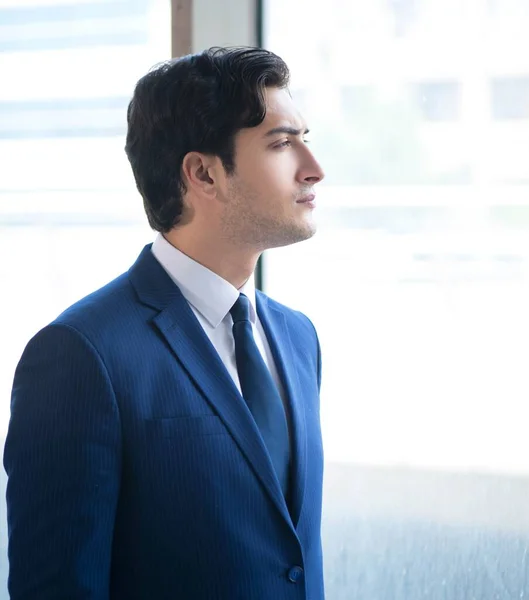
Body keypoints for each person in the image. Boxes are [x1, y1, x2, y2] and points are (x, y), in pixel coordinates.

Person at [4, 46, 326, 600]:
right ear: (203, 173)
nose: (312, 168)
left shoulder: (298, 337)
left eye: (305, 139)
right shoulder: (82, 354)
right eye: (281, 143)